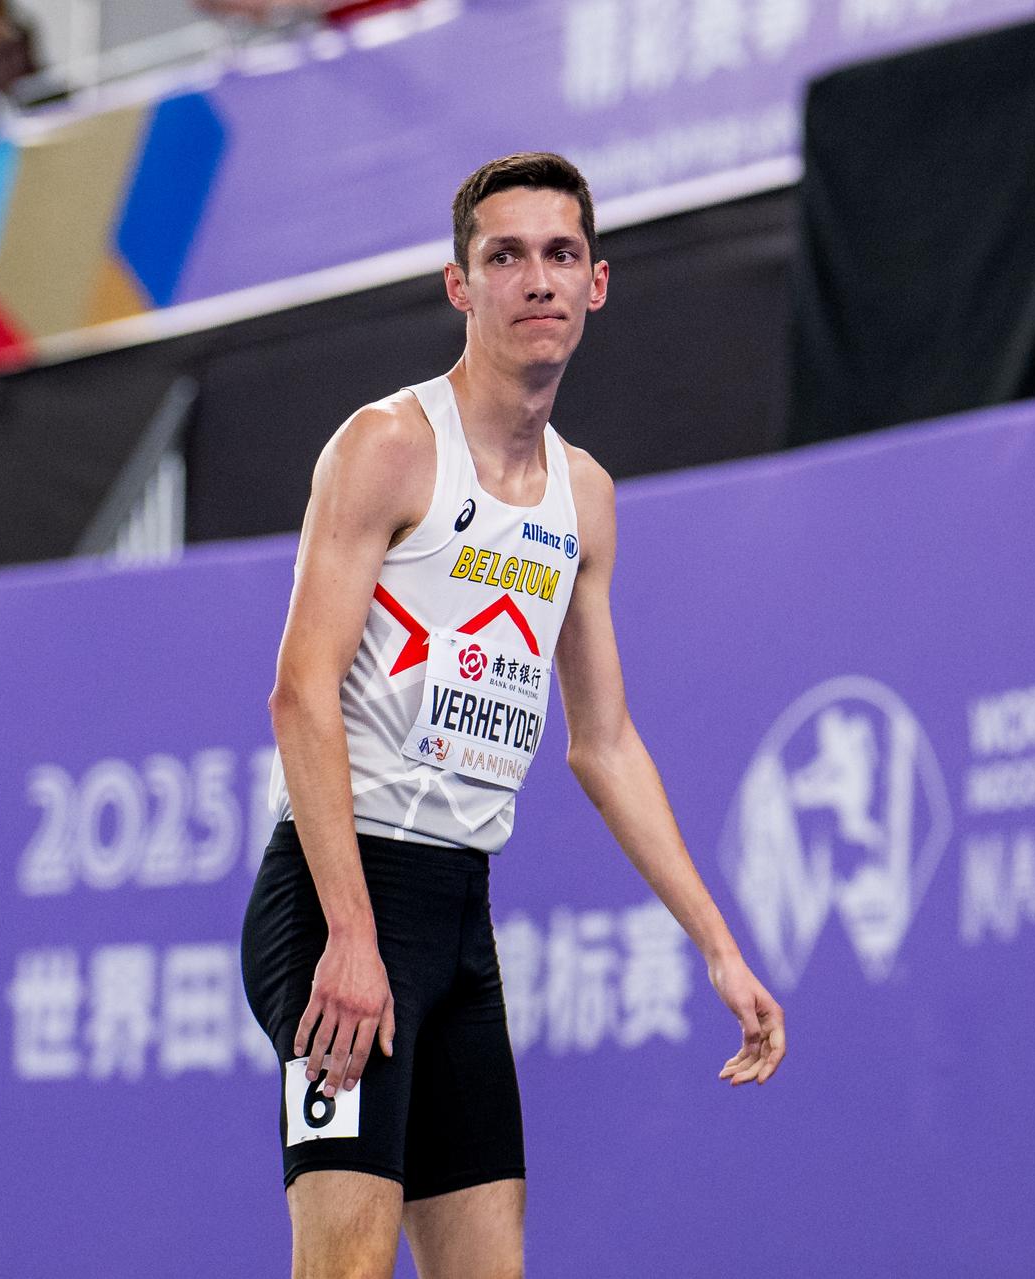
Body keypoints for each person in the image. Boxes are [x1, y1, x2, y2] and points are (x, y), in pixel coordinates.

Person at [241, 152, 787, 1279]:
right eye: (505, 257)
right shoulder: (389, 446)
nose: (535, 279)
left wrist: (721, 947)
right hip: (340, 900)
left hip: (457, 916)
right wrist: (349, 930)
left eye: (560, 254)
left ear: (596, 283)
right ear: (462, 286)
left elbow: (605, 742)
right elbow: (301, 691)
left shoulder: (585, 498)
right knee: (344, 1266)